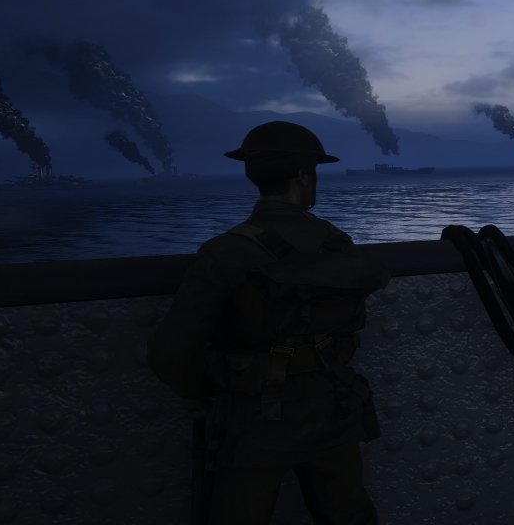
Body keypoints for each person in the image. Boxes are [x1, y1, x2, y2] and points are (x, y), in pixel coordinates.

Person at [149, 121, 388, 525]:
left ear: (252, 174)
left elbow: (172, 357)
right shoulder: (337, 243)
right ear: (302, 175)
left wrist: (221, 387)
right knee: (349, 514)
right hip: (332, 404)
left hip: (254, 417)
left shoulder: (224, 253)